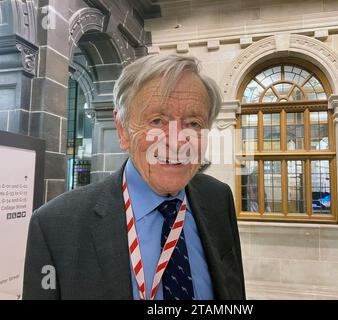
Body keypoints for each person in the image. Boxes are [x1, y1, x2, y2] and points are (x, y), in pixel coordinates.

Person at [22, 54, 246, 300]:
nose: (177, 141)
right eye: (157, 120)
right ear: (122, 129)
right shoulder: (55, 226)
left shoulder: (219, 199)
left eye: (193, 123)